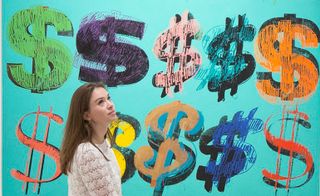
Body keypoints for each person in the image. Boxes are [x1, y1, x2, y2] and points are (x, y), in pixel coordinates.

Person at [60, 82, 122, 196]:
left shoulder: (103, 143)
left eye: (108, 98)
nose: (110, 105)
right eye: (101, 102)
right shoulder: (88, 153)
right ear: (87, 115)